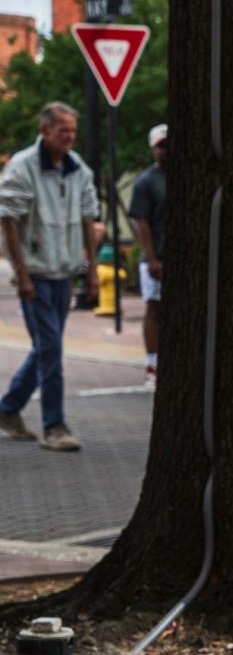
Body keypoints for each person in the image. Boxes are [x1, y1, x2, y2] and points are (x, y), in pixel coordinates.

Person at [0, 102, 99, 451]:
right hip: (37, 275)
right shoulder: (23, 166)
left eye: (73, 130)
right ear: (45, 131)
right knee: (51, 351)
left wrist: (90, 272)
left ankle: (8, 408)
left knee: (47, 348)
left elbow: (89, 219)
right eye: (63, 131)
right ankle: (54, 426)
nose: (70, 137)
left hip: (64, 275)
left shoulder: (78, 169)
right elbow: (7, 219)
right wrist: (22, 274)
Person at [128, 123, 168, 389]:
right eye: (161, 146)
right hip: (156, 259)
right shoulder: (146, 182)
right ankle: (152, 364)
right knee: (154, 308)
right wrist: (152, 258)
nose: (166, 151)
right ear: (153, 149)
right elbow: (141, 224)